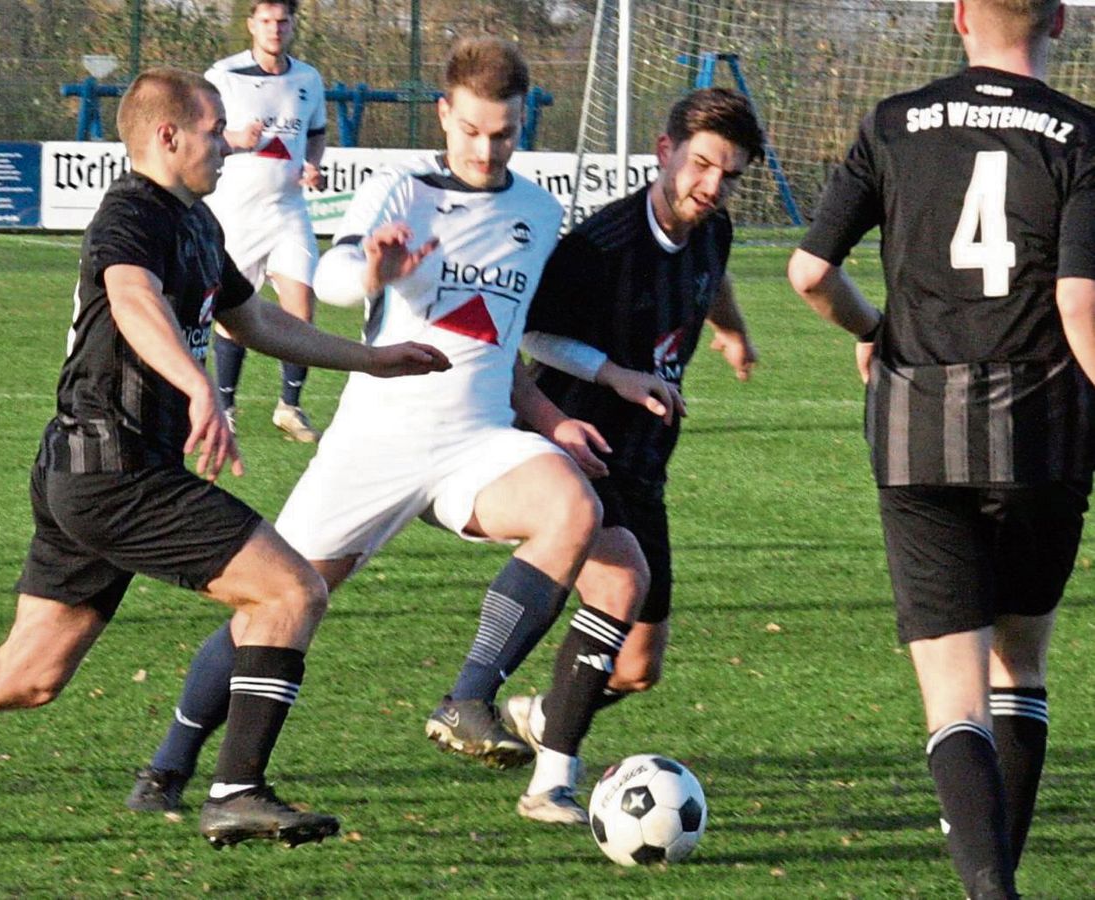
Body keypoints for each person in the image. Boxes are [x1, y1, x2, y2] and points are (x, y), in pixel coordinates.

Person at [0, 67, 448, 850]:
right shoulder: (131, 213)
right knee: (290, 591)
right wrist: (198, 387)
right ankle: (237, 790)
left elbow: (254, 321)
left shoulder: (195, 223)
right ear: (168, 136)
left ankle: (233, 788)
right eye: (215, 128)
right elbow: (130, 296)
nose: (231, 143)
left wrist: (370, 359)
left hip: (85, 468)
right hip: (117, 468)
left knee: (28, 673)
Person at [126, 37, 611, 825]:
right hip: (376, 444)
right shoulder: (400, 190)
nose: (488, 149)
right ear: (445, 114)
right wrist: (377, 273)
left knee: (573, 509)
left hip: (478, 443)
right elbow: (338, 276)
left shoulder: (539, 210)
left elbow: (506, 339)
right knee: (277, 607)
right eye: (473, 130)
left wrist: (558, 415)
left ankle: (469, 698)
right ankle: (168, 765)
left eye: (507, 133)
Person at [787, 1, 1095, 896]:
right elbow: (1079, 304)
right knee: (1021, 668)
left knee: (951, 700)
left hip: (917, 429)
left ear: (959, 16)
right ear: (1063, 23)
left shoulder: (892, 121)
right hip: (1043, 432)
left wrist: (874, 328)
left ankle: (988, 891)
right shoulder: (1081, 135)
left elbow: (809, 273)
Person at [494, 87, 763, 823]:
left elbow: (713, 282)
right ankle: (552, 781)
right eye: (702, 164)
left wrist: (730, 331)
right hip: (582, 450)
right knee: (615, 594)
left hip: (646, 464)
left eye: (730, 174)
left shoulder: (713, 230)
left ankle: (551, 713)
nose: (712, 186)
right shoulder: (599, 247)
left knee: (640, 667)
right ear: (665, 150)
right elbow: (534, 338)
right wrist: (614, 374)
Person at [205, 0, 329, 442]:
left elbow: (316, 135)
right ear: (251, 26)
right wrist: (233, 139)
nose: (275, 29)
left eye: (283, 21)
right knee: (232, 315)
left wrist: (313, 165)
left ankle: (289, 408)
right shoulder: (224, 76)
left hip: (289, 211)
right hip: (237, 214)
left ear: (293, 25)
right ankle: (226, 406)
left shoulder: (308, 79)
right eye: (267, 21)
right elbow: (200, 132)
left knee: (301, 310)